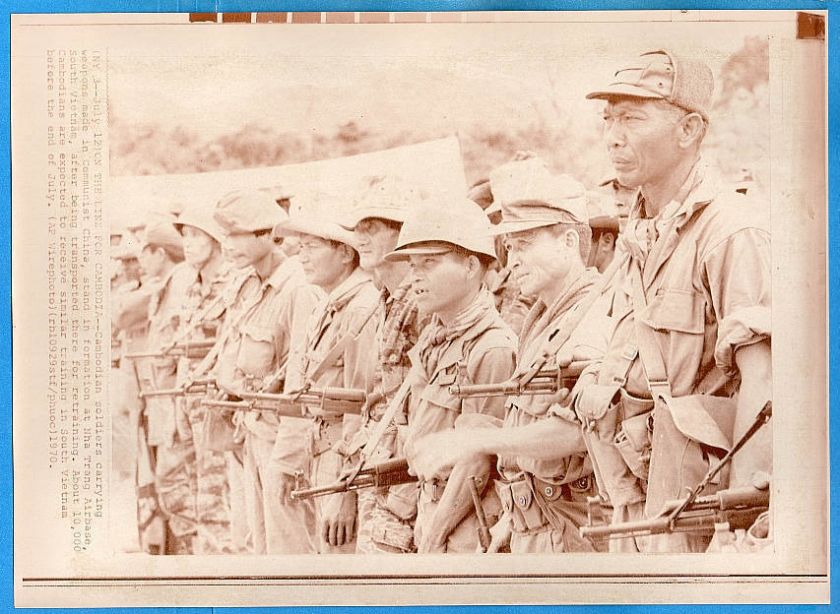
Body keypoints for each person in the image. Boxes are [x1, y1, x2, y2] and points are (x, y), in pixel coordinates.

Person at [576, 48, 771, 553]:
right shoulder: (641, 232)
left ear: (689, 131)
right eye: (609, 119)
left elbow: (763, 379)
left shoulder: (730, 231)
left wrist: (741, 508)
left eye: (633, 119)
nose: (613, 136)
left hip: (699, 508)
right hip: (639, 498)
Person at [407, 159, 612, 553]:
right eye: (510, 247)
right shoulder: (543, 318)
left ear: (569, 242)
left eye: (525, 244)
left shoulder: (592, 316)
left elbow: (578, 431)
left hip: (572, 533)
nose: (511, 260)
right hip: (537, 525)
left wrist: (477, 440)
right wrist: (511, 519)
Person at [387, 197, 517, 553]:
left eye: (429, 263)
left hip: (465, 524)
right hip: (431, 507)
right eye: (412, 265)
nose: (414, 277)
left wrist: (432, 538)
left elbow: (477, 462)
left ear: (471, 266)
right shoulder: (436, 337)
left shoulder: (492, 347)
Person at [202, 190, 321, 555]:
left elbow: (304, 383)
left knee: (292, 553)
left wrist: (287, 461)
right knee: (262, 548)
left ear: (269, 235)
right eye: (224, 235)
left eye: (237, 234)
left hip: (284, 444)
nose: (226, 245)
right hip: (252, 434)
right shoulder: (249, 284)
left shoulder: (298, 289)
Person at [274, 202, 380, 554]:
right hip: (323, 453)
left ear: (346, 253)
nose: (301, 257)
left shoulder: (362, 308)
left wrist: (345, 491)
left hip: (342, 464)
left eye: (312, 247)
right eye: (300, 247)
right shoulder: (331, 303)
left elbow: (360, 407)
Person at [337, 176, 429, 554]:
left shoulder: (422, 301)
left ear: (403, 234)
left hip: (406, 479)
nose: (361, 238)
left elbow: (423, 410)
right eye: (357, 229)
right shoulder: (388, 299)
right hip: (380, 469)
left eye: (372, 228)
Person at [168, 204, 243, 554]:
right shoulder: (191, 286)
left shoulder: (232, 283)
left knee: (215, 490)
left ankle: (219, 563)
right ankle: (200, 556)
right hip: (187, 396)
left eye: (196, 235)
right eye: (185, 236)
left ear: (215, 240)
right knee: (189, 482)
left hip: (214, 400)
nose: (188, 243)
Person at [130, 219, 197, 554]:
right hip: (164, 402)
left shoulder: (182, 280)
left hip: (176, 403)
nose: (140, 261)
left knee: (177, 486)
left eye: (144, 252)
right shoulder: (166, 284)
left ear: (159, 253)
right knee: (170, 485)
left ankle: (192, 555)